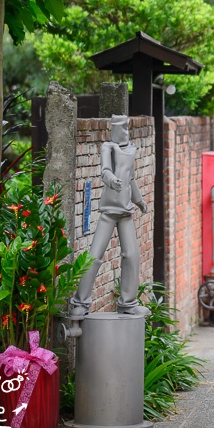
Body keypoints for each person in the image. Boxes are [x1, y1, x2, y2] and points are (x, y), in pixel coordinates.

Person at [69, 114, 150, 318]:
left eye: (122, 128)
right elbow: (104, 171)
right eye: (116, 128)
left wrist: (139, 201)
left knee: (131, 256)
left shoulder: (131, 149)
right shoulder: (108, 147)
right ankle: (80, 301)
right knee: (94, 256)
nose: (120, 132)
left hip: (125, 211)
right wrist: (112, 180)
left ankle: (128, 302)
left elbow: (131, 179)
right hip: (109, 210)